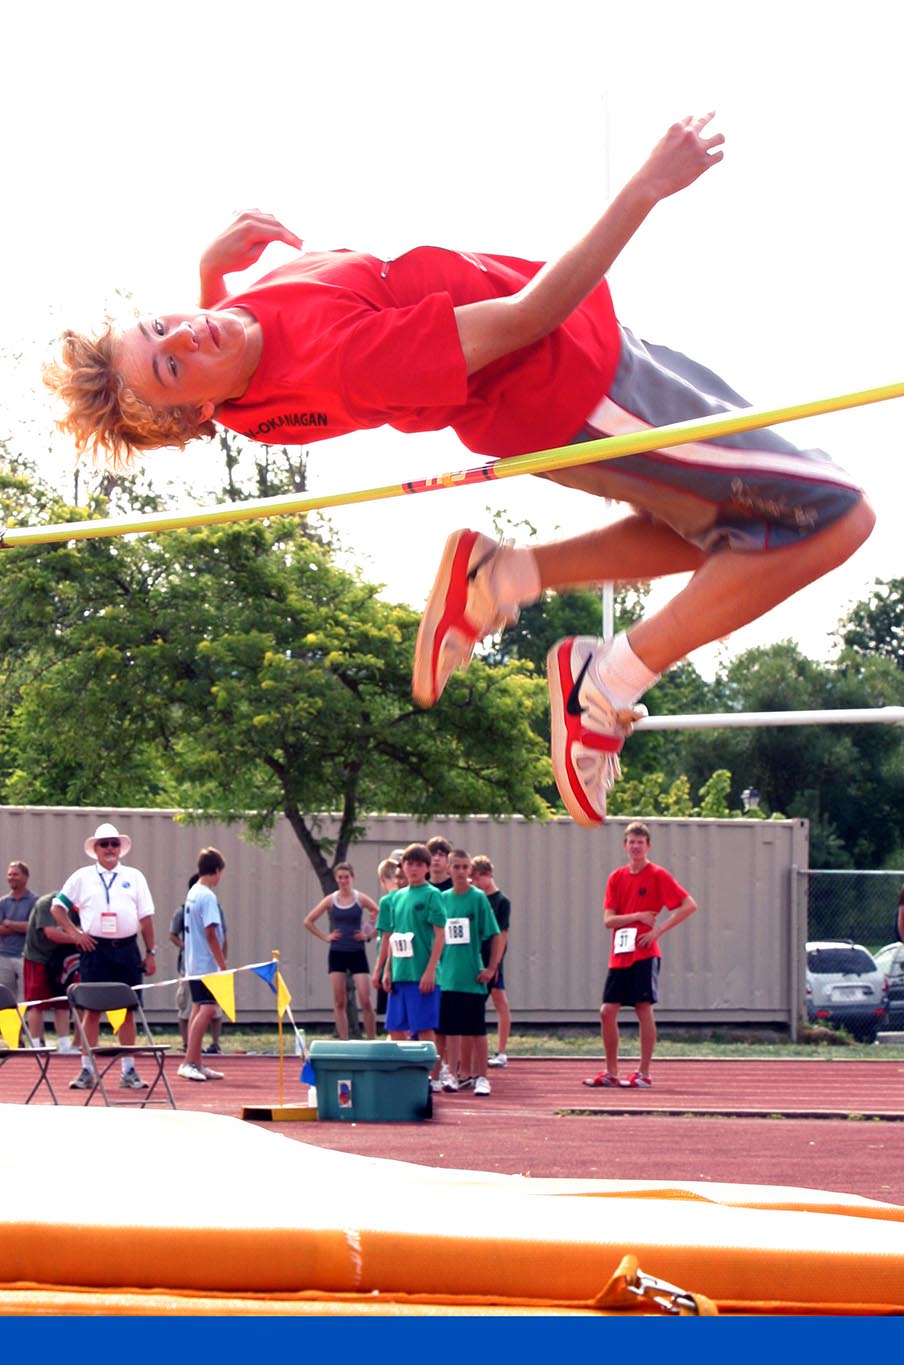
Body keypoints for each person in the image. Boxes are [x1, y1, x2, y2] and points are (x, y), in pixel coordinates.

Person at [45, 115, 873, 829]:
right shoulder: (350, 364)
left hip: (593, 357)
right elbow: (528, 316)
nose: (189, 333)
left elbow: (205, 370)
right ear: (197, 407)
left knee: (728, 532)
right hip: (582, 388)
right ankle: (608, 681)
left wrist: (208, 277)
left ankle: (505, 574)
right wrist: (647, 187)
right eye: (172, 363)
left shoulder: (230, 346)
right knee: (838, 518)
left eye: (162, 324)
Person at [584, 821, 697, 1089]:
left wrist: (658, 931)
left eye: (640, 842)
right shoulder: (616, 877)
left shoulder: (657, 875)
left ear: (648, 846)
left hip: (645, 953)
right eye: (631, 842)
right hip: (620, 952)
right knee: (607, 1011)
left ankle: (644, 1073)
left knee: (642, 1008)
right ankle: (611, 1072)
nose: (635, 847)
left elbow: (688, 905)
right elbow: (608, 920)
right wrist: (637, 916)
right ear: (624, 845)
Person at [51, 821, 156, 1090]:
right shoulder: (82, 877)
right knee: (92, 1010)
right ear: (95, 848)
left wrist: (150, 952)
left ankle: (128, 1070)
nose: (110, 848)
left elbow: (146, 917)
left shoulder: (134, 876)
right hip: (94, 950)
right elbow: (57, 907)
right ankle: (87, 1069)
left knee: (128, 1010)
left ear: (120, 848)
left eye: (114, 843)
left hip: (127, 949)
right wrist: (75, 934)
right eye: (104, 844)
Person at [373, 844, 445, 1082]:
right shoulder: (397, 898)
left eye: (419, 865)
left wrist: (430, 971)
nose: (414, 869)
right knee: (395, 1028)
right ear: (402, 867)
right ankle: (404, 1075)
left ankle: (430, 1077)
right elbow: (394, 935)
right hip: (399, 973)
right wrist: (386, 970)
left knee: (424, 1028)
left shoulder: (432, 894)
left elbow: (440, 935)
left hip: (421, 974)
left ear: (427, 868)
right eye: (409, 864)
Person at [437, 850, 501, 1096]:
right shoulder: (442, 899)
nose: (461, 872)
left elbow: (495, 934)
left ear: (470, 871)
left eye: (465, 867)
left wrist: (491, 968)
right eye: (457, 867)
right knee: (451, 1030)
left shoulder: (478, 899)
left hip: (472, 976)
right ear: (449, 869)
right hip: (448, 977)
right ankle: (452, 1074)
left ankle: (482, 1077)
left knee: (476, 1029)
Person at [304, 862, 379, 1040]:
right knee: (339, 1000)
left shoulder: (360, 898)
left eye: (346, 877)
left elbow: (381, 914)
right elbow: (308, 921)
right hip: (337, 952)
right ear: (336, 879)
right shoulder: (331, 900)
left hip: (357, 952)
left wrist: (368, 934)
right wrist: (326, 937)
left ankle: (372, 1039)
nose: (343, 881)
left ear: (352, 878)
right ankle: (344, 1040)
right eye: (340, 878)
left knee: (365, 998)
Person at [178, 847, 227, 1083]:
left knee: (198, 1008)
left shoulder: (193, 892)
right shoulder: (207, 896)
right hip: (205, 963)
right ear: (216, 871)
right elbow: (210, 933)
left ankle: (195, 1061)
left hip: (193, 961)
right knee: (207, 1009)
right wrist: (221, 963)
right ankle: (189, 1061)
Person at [170, 873, 226, 1052]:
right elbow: (210, 934)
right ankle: (190, 1050)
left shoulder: (208, 904)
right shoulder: (201, 899)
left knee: (205, 1008)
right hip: (201, 966)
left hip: (199, 965)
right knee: (200, 1008)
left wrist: (222, 959)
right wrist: (221, 963)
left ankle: (199, 1053)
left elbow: (221, 935)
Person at [470, 855, 512, 1068]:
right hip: (476, 956)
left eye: (478, 878)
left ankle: (501, 1051)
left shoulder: (501, 902)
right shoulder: (476, 899)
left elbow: (502, 934)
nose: (475, 883)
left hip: (493, 957)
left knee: (499, 1000)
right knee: (476, 1003)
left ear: (488, 875)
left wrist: (495, 965)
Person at [22, 891, 78, 1049]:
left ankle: (65, 1045)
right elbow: (51, 933)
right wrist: (79, 938)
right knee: (36, 1003)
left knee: (63, 1003)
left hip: (62, 958)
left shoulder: (80, 907)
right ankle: (36, 1044)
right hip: (38, 958)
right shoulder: (47, 903)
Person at [0, 861, 38, 998]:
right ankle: (7, 1015)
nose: (12, 878)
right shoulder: (3, 902)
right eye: (10, 875)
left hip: (25, 956)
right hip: (3, 956)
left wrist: (9, 923)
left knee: (24, 997)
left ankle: (22, 1014)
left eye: (15, 874)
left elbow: (33, 927)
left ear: (26, 877)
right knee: (4, 997)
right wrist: (20, 926)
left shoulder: (34, 901)